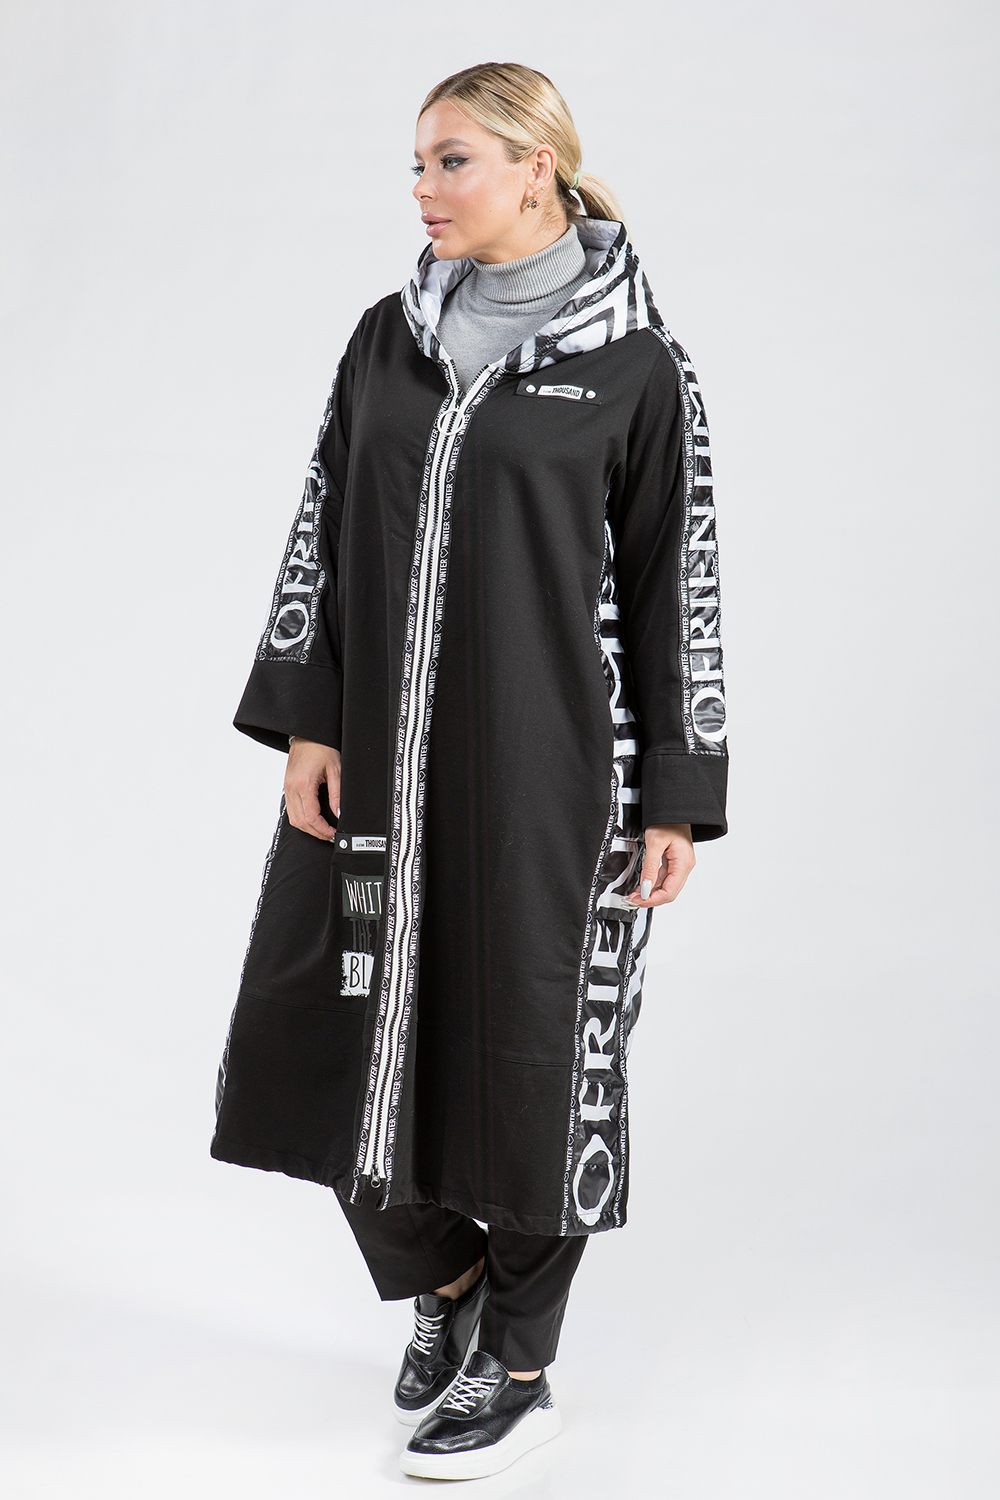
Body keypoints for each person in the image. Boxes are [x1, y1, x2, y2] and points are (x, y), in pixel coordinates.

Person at [211, 60, 728, 1482]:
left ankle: (520, 1364)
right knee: (329, 1029)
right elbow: (322, 521)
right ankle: (443, 1280)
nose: (423, 190)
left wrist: (677, 793)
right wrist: (310, 720)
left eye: (451, 162)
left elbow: (676, 583)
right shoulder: (388, 339)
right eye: (418, 165)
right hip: (376, 778)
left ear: (535, 168)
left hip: (554, 790)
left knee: (539, 1060)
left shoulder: (636, 366)